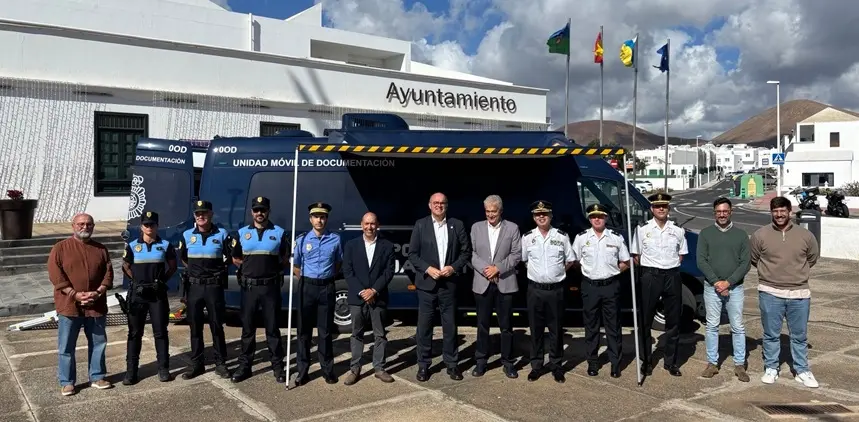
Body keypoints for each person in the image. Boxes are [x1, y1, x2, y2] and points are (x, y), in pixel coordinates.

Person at [751, 196, 820, 387]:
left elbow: (812, 257)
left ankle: (802, 370)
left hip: (799, 294)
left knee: (799, 336)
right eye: (775, 211)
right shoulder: (760, 235)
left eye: (783, 210)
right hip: (770, 293)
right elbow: (755, 258)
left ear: (790, 211)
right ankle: (771, 367)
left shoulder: (805, 235)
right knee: (771, 334)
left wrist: (795, 273)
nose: (779, 214)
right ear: (771, 212)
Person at [48, 213, 114, 396]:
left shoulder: (100, 249)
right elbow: (56, 275)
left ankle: (97, 376)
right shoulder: (60, 248)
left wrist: (98, 292)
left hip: (96, 304)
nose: (85, 227)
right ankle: (67, 381)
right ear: (73, 226)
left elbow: (108, 273)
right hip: (70, 306)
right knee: (66, 346)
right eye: (81, 224)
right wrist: (74, 294)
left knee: (99, 343)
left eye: (89, 224)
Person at [408, 192, 471, 382]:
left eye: (442, 203)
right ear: (429, 205)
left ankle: (452, 365)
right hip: (427, 285)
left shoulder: (456, 225)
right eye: (435, 203)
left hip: (449, 285)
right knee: (424, 327)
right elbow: (412, 254)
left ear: (447, 205)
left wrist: (453, 267)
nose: (439, 206)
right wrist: (428, 269)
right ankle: (424, 366)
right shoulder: (421, 225)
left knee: (450, 326)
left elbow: (466, 251)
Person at [230, 196, 290, 384]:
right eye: (256, 210)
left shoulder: (279, 233)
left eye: (263, 210)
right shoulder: (242, 233)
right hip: (249, 288)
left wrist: (269, 270)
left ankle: (277, 366)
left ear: (268, 211)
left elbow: (285, 259)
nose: (259, 213)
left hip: (270, 288)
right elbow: (235, 258)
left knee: (272, 329)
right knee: (248, 330)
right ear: (252, 212)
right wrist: (249, 268)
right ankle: (245, 366)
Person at [630, 192, 687, 377]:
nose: (661, 208)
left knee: (673, 321)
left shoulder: (678, 230)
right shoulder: (641, 229)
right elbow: (636, 256)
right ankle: (646, 361)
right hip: (650, 275)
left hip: (672, 275)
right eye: (657, 206)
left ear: (668, 209)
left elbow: (681, 255)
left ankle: (671, 362)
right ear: (651, 209)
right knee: (645, 320)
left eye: (664, 206)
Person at [571, 203, 630, 378]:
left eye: (600, 216)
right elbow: (574, 262)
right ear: (589, 218)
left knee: (613, 327)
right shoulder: (581, 238)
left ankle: (615, 363)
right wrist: (588, 273)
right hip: (590, 287)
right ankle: (593, 362)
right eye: (593, 216)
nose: (597, 219)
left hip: (611, 286)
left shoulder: (616, 237)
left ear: (605, 218)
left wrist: (611, 272)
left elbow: (625, 262)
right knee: (591, 327)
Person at [696, 197, 751, 382]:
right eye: (719, 211)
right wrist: (716, 282)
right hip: (712, 288)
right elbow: (701, 260)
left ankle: (739, 364)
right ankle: (712, 363)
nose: (722, 214)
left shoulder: (741, 235)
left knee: (737, 326)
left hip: (735, 288)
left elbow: (745, 263)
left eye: (725, 211)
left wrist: (729, 282)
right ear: (714, 213)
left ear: (731, 211)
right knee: (712, 326)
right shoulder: (705, 233)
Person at [177, 200, 232, 380]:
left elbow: (230, 258)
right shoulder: (186, 235)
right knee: (195, 327)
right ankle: (197, 364)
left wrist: (216, 272)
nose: (201, 216)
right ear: (194, 216)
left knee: (217, 326)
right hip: (194, 287)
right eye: (198, 214)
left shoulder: (222, 234)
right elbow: (184, 258)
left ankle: (220, 363)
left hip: (214, 286)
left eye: (205, 213)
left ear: (211, 214)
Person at [121, 210, 178, 384]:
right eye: (146, 224)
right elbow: (126, 266)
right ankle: (131, 372)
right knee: (134, 333)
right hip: (138, 295)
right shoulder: (132, 246)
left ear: (157, 226)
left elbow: (172, 267)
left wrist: (161, 282)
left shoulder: (165, 245)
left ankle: (163, 368)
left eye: (152, 224)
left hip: (157, 295)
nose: (149, 227)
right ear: (141, 226)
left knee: (160, 332)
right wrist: (137, 282)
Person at [521, 200, 574, 383]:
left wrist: (556, 273)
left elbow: (570, 261)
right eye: (537, 214)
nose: (541, 217)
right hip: (535, 290)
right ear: (533, 217)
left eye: (545, 214)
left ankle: (556, 365)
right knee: (535, 329)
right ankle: (536, 365)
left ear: (551, 216)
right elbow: (525, 261)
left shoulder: (562, 236)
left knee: (556, 329)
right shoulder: (527, 238)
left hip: (555, 290)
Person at [469, 195, 521, 379]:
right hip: (482, 283)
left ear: (500, 211)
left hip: (504, 282)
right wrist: (486, 271)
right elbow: (472, 254)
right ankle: (481, 361)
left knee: (506, 326)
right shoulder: (476, 228)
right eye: (488, 211)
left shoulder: (512, 228)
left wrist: (497, 268)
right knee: (482, 325)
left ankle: (508, 362)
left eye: (494, 211)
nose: (490, 215)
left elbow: (516, 255)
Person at [341, 212, 395, 385]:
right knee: (357, 334)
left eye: (372, 224)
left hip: (377, 297)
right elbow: (348, 272)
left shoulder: (387, 246)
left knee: (380, 334)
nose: (369, 227)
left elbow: (389, 271)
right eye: (366, 224)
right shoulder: (351, 245)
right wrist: (362, 292)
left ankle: (379, 368)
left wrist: (373, 290)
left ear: (377, 224)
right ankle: (355, 369)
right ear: (361, 224)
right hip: (358, 298)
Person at [293, 201, 343, 386]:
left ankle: (327, 370)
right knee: (303, 332)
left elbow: (338, 264)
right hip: (307, 287)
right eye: (316, 216)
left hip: (326, 288)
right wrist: (309, 280)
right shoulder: (302, 240)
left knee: (325, 331)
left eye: (322, 217)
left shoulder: (335, 240)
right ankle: (302, 371)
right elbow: (296, 266)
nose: (319, 220)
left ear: (326, 219)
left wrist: (326, 278)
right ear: (310, 219)